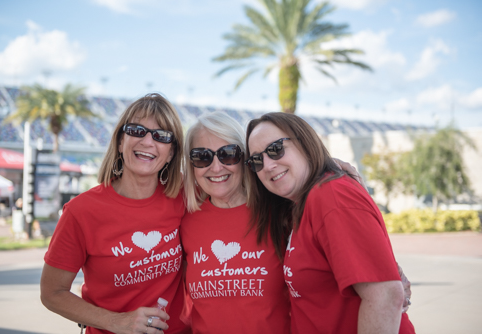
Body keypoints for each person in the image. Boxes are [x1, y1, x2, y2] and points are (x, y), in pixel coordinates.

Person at [245, 112, 415, 334]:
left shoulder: (331, 196)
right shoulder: (303, 204)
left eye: (275, 149)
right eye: (257, 160)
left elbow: (384, 295)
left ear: (305, 143)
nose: (267, 165)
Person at [40, 93, 190, 334]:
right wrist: (116, 321)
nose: (148, 142)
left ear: (171, 153)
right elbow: (52, 293)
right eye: (137, 131)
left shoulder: (185, 195)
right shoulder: (82, 211)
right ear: (121, 141)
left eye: (161, 136)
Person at [180, 112, 290, 333]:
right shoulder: (184, 219)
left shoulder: (279, 210)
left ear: (245, 159)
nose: (216, 167)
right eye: (202, 157)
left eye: (228, 154)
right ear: (191, 165)